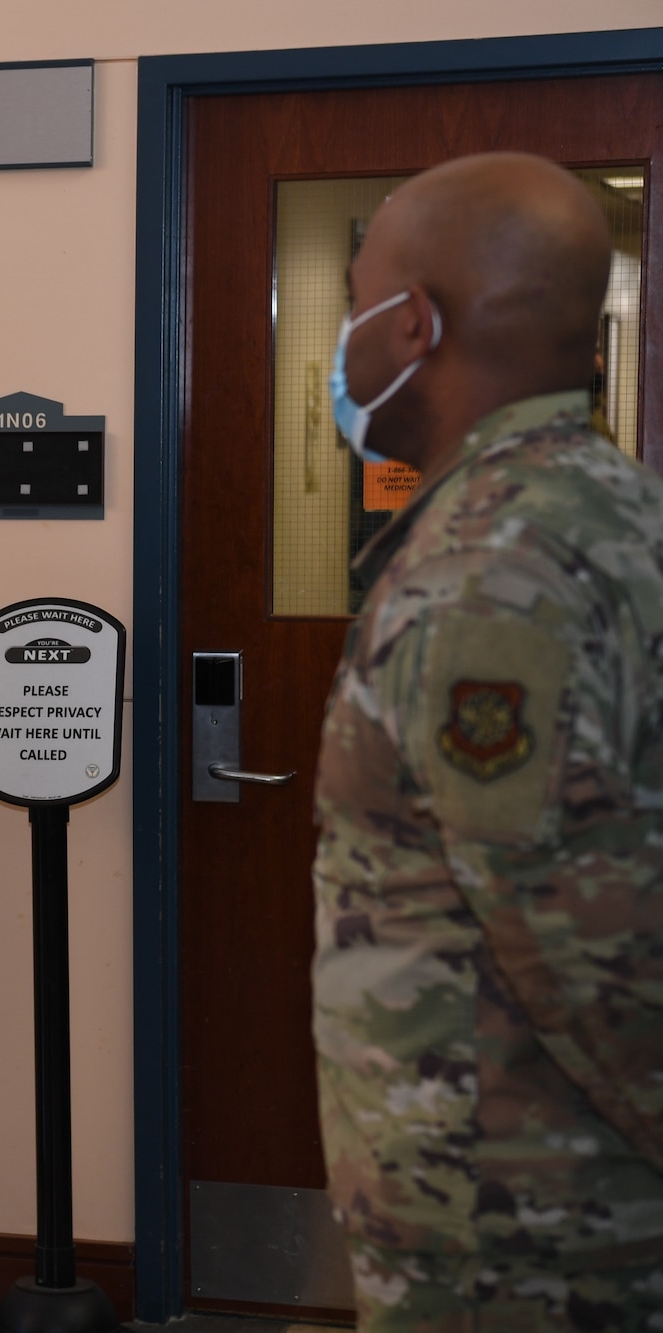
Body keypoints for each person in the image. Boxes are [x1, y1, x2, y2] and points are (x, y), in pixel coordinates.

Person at [312, 152, 663, 1329]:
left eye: (353, 299)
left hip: (511, 1223)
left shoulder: (491, 570)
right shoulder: (610, 508)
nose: (343, 338)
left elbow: (566, 924)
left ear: (410, 322)